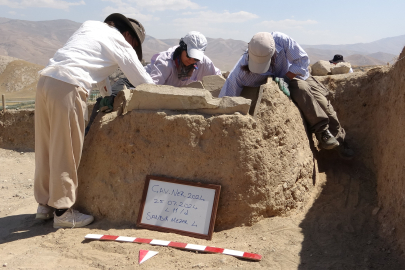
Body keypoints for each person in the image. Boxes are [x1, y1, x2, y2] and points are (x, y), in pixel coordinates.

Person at [34, 13, 154, 228]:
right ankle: (62, 212)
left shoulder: (90, 27)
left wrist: (106, 95)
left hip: (46, 81)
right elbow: (142, 81)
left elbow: (96, 69)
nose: (132, 48)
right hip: (68, 86)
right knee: (66, 149)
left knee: (46, 146)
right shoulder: (119, 41)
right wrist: (164, 95)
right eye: (134, 44)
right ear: (128, 35)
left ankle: (44, 206)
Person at [219, 32, 354, 159]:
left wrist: (287, 77)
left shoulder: (281, 40)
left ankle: (339, 143)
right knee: (301, 90)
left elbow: (302, 61)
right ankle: (321, 131)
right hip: (273, 85)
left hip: (295, 75)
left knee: (325, 107)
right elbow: (227, 97)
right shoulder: (240, 72)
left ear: (272, 54)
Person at [85, 31, 222, 135]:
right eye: (189, 56)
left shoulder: (204, 63)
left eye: (196, 59)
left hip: (170, 96)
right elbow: (150, 89)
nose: (192, 61)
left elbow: (219, 80)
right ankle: (90, 131)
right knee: (109, 99)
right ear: (182, 48)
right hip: (139, 82)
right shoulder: (165, 61)